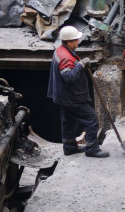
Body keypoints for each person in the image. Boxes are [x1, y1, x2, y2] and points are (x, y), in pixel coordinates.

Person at [47, 26, 109, 158]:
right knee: (91, 119)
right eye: (76, 40)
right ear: (69, 42)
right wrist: (80, 65)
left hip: (63, 96)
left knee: (68, 121)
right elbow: (68, 77)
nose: (78, 41)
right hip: (72, 97)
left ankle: (69, 147)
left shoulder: (60, 50)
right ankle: (92, 149)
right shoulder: (66, 58)